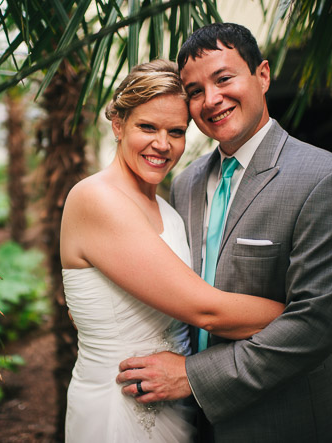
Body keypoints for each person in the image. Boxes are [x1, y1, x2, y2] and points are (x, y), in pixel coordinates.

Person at [116, 23, 332, 442]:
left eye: (224, 78)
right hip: (192, 424)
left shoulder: (326, 180)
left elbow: (316, 327)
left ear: (263, 75)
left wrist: (193, 377)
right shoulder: (186, 183)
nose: (211, 100)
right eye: (194, 91)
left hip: (289, 422)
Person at [60, 59, 284, 442]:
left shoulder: (168, 207)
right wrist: (304, 317)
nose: (162, 145)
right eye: (147, 127)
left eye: (176, 132)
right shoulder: (96, 198)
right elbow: (205, 308)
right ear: (118, 124)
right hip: (119, 405)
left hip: (177, 400)